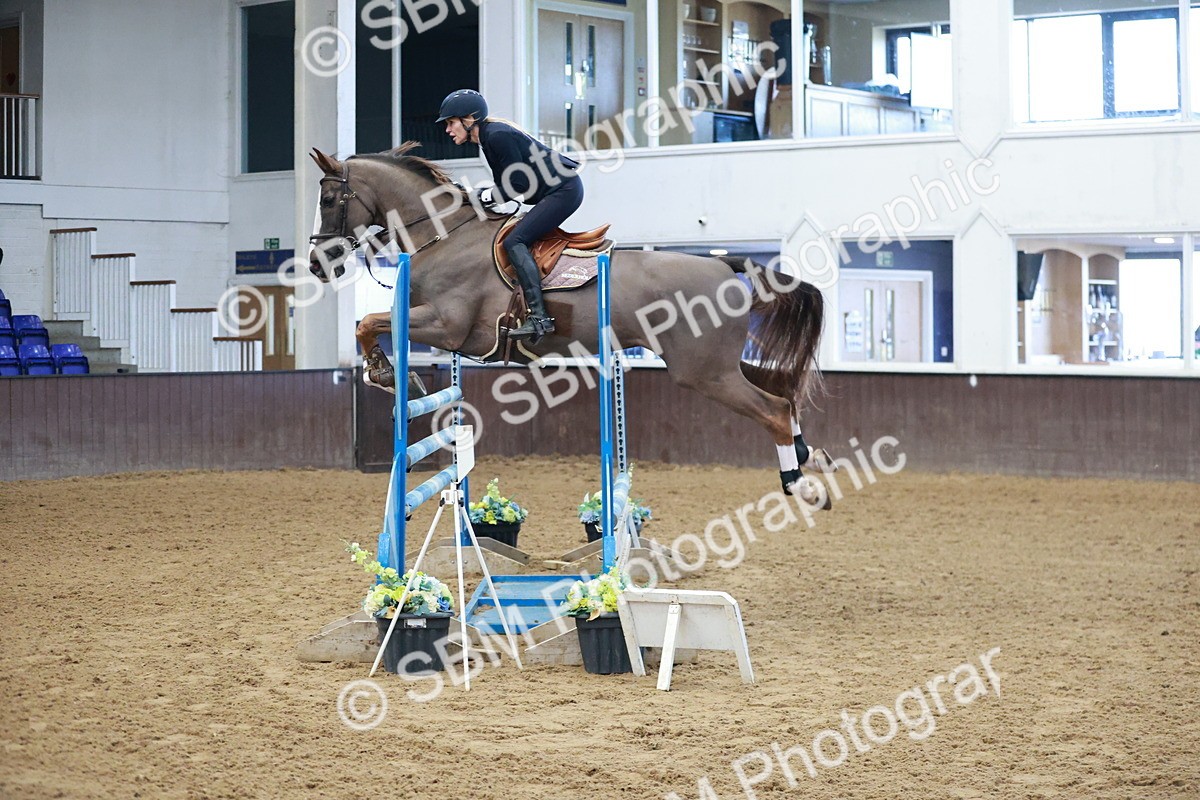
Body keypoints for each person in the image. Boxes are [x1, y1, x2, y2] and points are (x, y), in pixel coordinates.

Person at [437, 89, 583, 343]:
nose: (448, 129)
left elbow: (515, 187)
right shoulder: (489, 139)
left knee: (514, 242)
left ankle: (539, 316)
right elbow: (506, 189)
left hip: (564, 190)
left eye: (451, 122)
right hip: (556, 191)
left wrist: (477, 196)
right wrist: (478, 197)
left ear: (469, 119)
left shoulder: (497, 136)